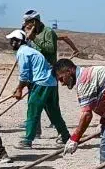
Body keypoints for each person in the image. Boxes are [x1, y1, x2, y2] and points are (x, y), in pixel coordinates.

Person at [9, 27, 69, 148]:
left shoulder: (22, 52)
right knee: (54, 112)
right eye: (11, 40)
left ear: (20, 41)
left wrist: (20, 89)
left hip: (41, 83)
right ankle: (65, 137)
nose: (11, 43)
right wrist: (19, 87)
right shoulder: (29, 50)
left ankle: (28, 140)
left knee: (33, 110)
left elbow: (25, 74)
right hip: (51, 82)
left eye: (13, 40)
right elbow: (29, 75)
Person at [20, 10, 69, 143]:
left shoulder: (48, 32)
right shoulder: (30, 34)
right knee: (49, 109)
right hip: (36, 77)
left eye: (28, 23)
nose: (26, 25)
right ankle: (63, 135)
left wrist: (33, 38)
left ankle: (28, 139)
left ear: (34, 22)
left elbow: (51, 48)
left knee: (35, 107)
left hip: (46, 76)